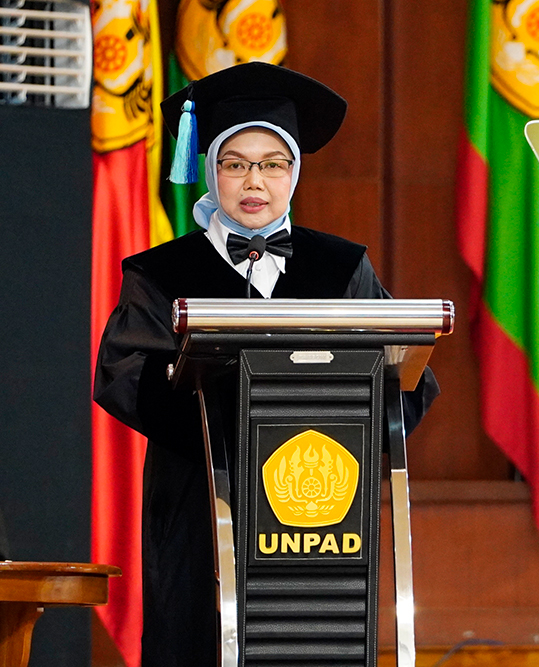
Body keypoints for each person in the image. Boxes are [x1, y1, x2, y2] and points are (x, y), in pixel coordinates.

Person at [94, 62, 438, 666]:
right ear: (211, 171)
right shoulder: (162, 274)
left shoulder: (340, 268)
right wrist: (237, 425)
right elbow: (123, 376)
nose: (255, 181)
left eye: (273, 164)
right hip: (202, 505)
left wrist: (337, 429)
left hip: (321, 513)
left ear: (294, 173)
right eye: (236, 164)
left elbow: (408, 382)